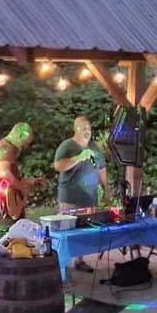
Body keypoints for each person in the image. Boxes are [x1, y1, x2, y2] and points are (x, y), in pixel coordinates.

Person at [53, 115, 110, 272]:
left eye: (89, 128)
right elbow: (58, 166)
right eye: (83, 128)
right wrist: (79, 157)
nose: (87, 131)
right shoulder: (67, 146)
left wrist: (106, 190)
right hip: (70, 197)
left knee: (83, 230)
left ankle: (80, 261)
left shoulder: (94, 147)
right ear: (76, 130)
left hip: (89, 197)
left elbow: (102, 169)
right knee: (66, 231)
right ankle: (60, 263)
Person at [0, 121, 45, 224]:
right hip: (3, 205)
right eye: (25, 143)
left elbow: (7, 178)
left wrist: (29, 183)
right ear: (20, 136)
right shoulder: (6, 149)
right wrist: (21, 187)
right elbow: (5, 174)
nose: (25, 147)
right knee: (13, 234)